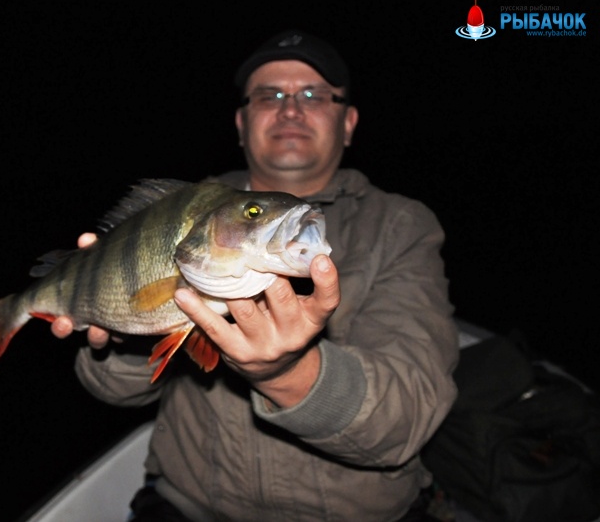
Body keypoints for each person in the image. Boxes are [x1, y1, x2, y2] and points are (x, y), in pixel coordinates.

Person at [51, 30, 459, 522]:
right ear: (242, 125)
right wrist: (124, 334)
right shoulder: (182, 207)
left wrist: (288, 373)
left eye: (314, 95)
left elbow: (410, 418)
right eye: (270, 96)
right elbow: (113, 392)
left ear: (349, 122)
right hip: (187, 504)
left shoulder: (401, 226)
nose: (291, 110)